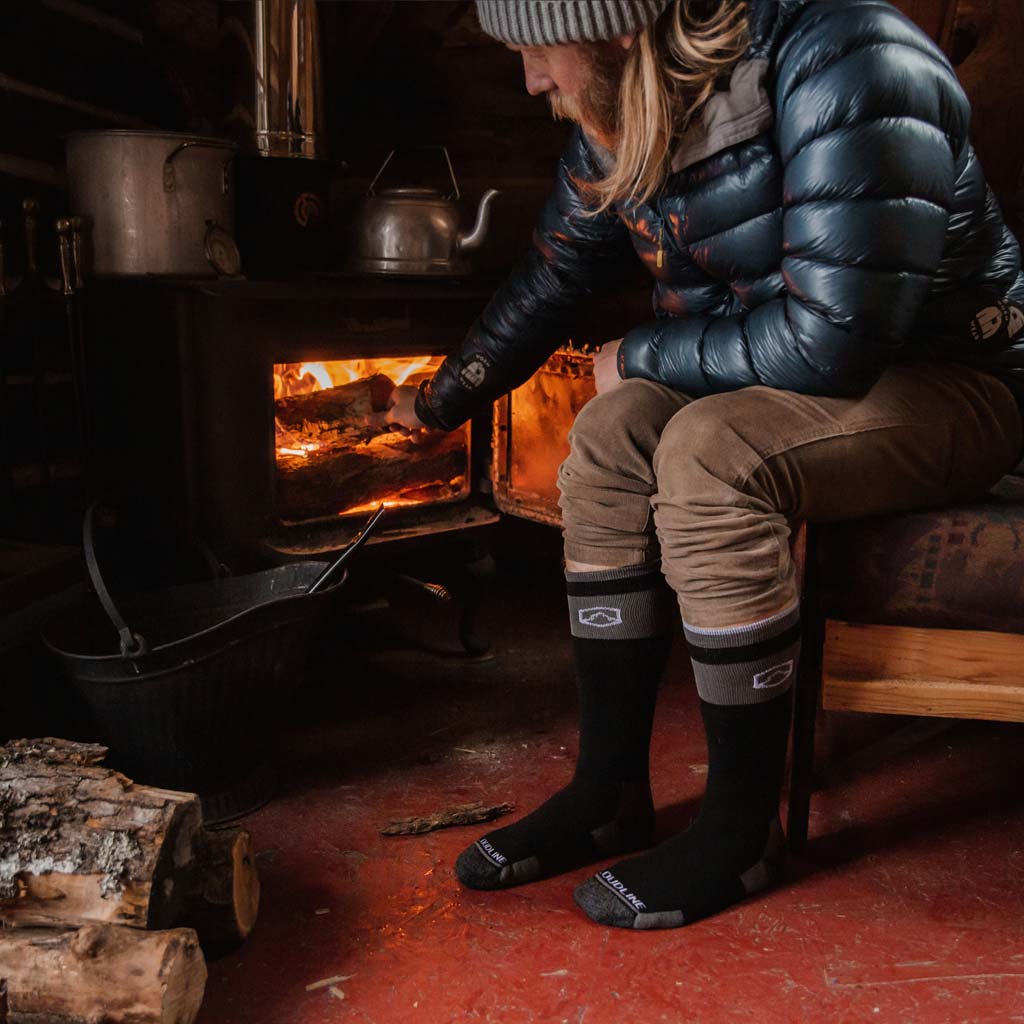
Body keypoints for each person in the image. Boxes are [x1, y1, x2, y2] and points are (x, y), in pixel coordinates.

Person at [384, 0, 1024, 930]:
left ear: (615, 26)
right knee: (605, 440)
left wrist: (638, 355)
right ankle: (608, 792)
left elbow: (837, 342)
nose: (530, 81)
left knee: (709, 451)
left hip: (950, 382)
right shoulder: (634, 112)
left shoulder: (852, 59)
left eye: (534, 49)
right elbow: (551, 278)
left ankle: (740, 831)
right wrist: (442, 402)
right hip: (783, 370)